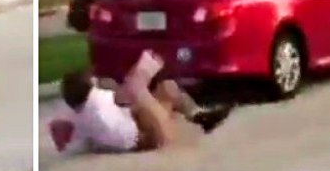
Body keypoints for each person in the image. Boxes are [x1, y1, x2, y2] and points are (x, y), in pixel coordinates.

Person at [52, 50, 232, 155]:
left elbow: (66, 133)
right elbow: (127, 94)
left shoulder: (81, 112)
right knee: (140, 92)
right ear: (91, 85)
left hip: (141, 131)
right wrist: (142, 72)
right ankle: (194, 117)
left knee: (166, 88)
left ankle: (199, 117)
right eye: (95, 79)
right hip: (150, 137)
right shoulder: (97, 101)